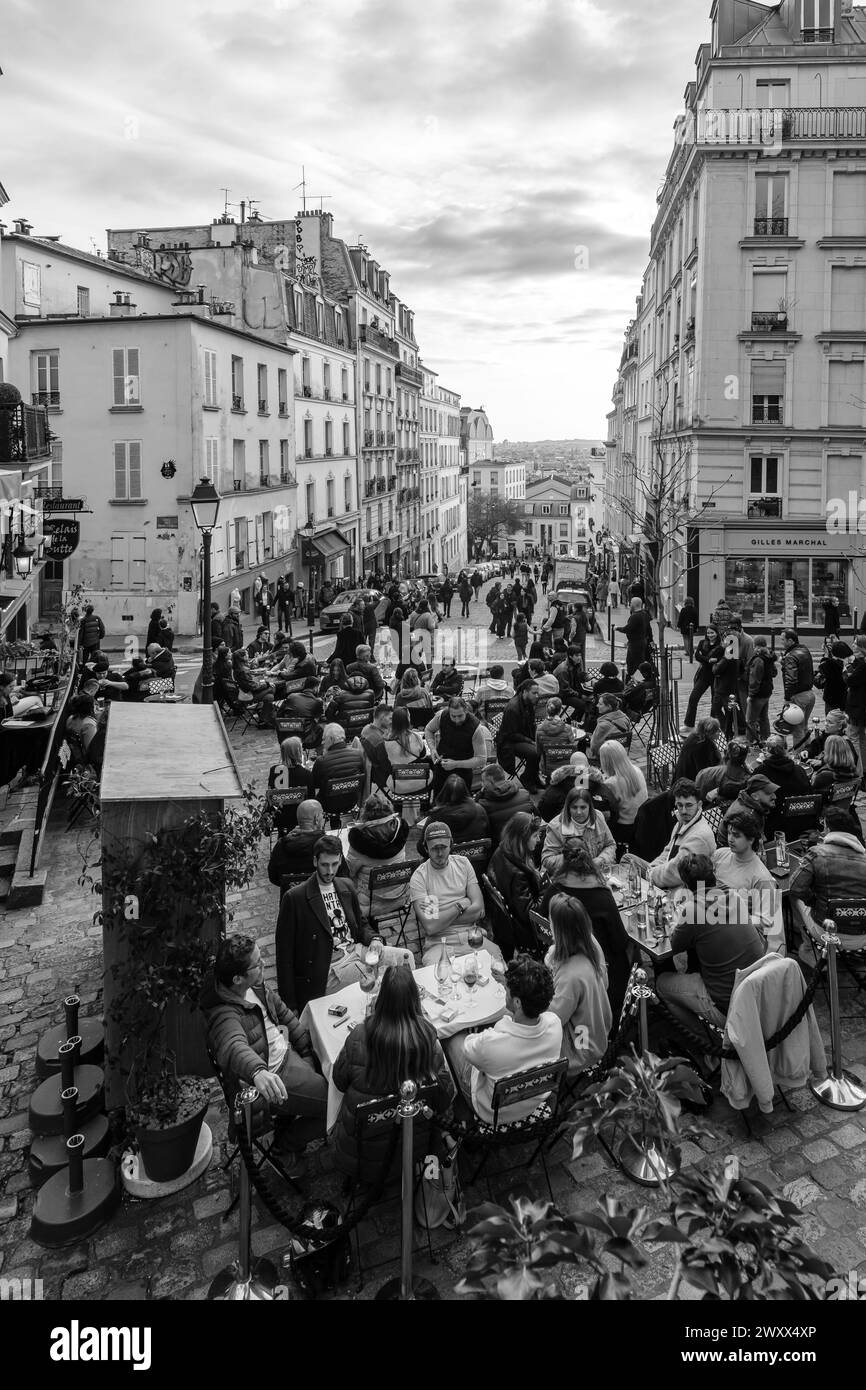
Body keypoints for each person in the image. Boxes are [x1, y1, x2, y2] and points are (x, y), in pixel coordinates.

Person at [202, 935, 327, 1169]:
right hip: (276, 1075)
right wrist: (258, 1071)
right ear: (237, 978)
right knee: (337, 1104)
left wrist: (308, 1052)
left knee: (338, 1067)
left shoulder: (254, 985)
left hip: (289, 1054)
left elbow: (284, 1015)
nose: (263, 966)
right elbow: (233, 1046)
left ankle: (288, 1125)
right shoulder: (223, 1014)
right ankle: (284, 1145)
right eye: (257, 964)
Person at [331, 965, 455, 1186]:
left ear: (382, 998)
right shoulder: (427, 1038)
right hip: (416, 1148)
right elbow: (444, 1096)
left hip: (362, 1154)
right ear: (415, 1000)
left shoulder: (359, 1036)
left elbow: (339, 1082)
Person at [654, 853, 766, 1036]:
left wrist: (676, 921)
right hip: (757, 995)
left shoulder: (693, 910)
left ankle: (706, 1042)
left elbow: (674, 945)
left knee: (661, 983)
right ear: (713, 874)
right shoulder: (733, 895)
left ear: (685, 884)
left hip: (727, 1006)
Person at [445, 956, 562, 1124]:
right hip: (532, 1102)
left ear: (517, 1002)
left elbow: (468, 1048)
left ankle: (461, 1114)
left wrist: (480, 1033)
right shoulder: (555, 1024)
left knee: (453, 1038)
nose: (505, 993)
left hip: (492, 1112)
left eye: (507, 990)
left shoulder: (492, 1043)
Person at [537, 839, 632, 1016]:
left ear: (563, 861)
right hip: (602, 967)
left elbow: (543, 922)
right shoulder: (602, 895)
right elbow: (619, 940)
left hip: (561, 958)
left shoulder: (554, 889)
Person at [275, 835, 372, 1008]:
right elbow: (284, 956)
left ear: (340, 860)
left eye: (335, 864)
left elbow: (361, 923)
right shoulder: (294, 898)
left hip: (357, 952)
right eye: (324, 865)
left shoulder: (346, 885)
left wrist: (376, 939)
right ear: (315, 861)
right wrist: (289, 1004)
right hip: (330, 968)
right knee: (380, 980)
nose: (330, 871)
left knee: (403, 958)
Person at [409, 821, 501, 965]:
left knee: (498, 968)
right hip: (439, 943)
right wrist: (459, 905)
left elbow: (479, 910)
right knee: (439, 978)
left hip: (471, 937)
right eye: (434, 849)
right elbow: (431, 927)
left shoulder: (463, 864)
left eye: (443, 847)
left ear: (451, 844)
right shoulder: (421, 877)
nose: (439, 853)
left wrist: (442, 916)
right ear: (426, 848)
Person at [545, 895, 613, 1075]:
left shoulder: (571, 976)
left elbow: (552, 1020)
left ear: (559, 930)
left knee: (526, 1039)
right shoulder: (591, 943)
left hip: (581, 1047)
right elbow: (605, 984)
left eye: (550, 921)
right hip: (598, 1029)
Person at [790, 806, 866, 962]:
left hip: (827, 931)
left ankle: (809, 949)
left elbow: (796, 887)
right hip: (862, 936)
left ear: (827, 827)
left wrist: (813, 901)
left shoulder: (817, 853)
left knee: (794, 897)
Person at [627, 779, 717, 889]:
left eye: (689, 805)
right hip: (665, 873)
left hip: (680, 888)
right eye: (679, 805)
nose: (683, 811)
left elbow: (677, 872)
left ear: (699, 805)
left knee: (628, 864)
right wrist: (652, 868)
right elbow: (667, 852)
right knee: (628, 859)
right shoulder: (682, 823)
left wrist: (651, 874)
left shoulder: (700, 836)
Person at [712, 810, 781, 949]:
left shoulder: (762, 878)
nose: (730, 838)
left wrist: (730, 918)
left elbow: (765, 921)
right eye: (730, 833)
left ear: (751, 839)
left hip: (741, 940)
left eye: (736, 835)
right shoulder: (720, 855)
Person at [488, 812, 546, 959]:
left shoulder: (502, 851)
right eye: (535, 836)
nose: (539, 840)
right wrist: (546, 889)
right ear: (522, 839)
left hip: (503, 928)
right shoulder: (518, 873)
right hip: (525, 935)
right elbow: (530, 914)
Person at [345, 793, 411, 919]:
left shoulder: (359, 840)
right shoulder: (399, 831)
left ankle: (367, 931)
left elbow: (349, 872)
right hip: (400, 896)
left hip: (369, 903)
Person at [542, 785, 617, 876]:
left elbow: (610, 844)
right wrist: (573, 861)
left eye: (583, 807)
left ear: (590, 807)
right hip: (568, 877)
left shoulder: (599, 818)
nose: (579, 812)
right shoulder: (555, 826)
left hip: (596, 874)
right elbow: (546, 859)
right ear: (568, 808)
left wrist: (601, 859)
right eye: (574, 807)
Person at [426, 696, 488, 796]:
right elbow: (429, 729)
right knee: (439, 803)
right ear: (449, 711)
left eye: (460, 716)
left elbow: (481, 759)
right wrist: (432, 749)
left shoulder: (476, 727)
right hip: (441, 767)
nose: (456, 720)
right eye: (453, 716)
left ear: (466, 710)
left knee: (461, 806)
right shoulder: (442, 715)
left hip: (463, 771)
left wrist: (456, 764)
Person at [756, 736, 813, 839]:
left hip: (774, 827)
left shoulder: (761, 772)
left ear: (768, 751)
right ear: (785, 750)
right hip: (801, 824)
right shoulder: (799, 770)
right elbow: (809, 794)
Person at [599, 740, 647, 851]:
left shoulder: (611, 783)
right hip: (641, 822)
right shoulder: (637, 770)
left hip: (624, 828)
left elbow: (609, 813)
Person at [311, 723, 366, 816]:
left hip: (328, 805)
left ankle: (334, 822)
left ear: (331, 739)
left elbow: (315, 784)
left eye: (324, 739)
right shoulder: (358, 754)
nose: (322, 742)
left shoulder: (321, 761)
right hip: (352, 802)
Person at [476, 764, 536, 848]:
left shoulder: (484, 805)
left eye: (483, 781)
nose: (482, 784)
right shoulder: (524, 794)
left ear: (491, 780)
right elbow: (537, 818)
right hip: (525, 842)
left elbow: (484, 831)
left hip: (502, 847)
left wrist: (480, 795)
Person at [496, 681, 541, 788]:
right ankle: (526, 778)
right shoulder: (513, 708)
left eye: (537, 693)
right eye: (534, 693)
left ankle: (534, 777)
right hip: (509, 742)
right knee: (535, 752)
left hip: (521, 736)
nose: (537, 696)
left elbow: (531, 725)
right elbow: (511, 734)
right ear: (525, 692)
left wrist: (538, 737)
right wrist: (530, 741)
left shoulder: (528, 702)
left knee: (542, 745)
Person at [425, 771, 490, 842]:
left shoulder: (434, 817)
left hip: (448, 852)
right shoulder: (480, 810)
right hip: (476, 852)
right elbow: (488, 835)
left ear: (444, 792)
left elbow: (422, 846)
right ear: (465, 791)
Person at [267, 737, 314, 832]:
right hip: (300, 817)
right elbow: (311, 798)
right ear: (298, 753)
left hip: (279, 817)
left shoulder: (274, 771)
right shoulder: (306, 774)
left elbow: (270, 795)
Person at [720, 772, 778, 847]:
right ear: (755, 796)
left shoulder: (749, 802)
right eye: (768, 793)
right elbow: (749, 848)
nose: (775, 796)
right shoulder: (747, 815)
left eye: (773, 792)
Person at [781, 629, 815, 749]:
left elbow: (791, 680)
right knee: (804, 727)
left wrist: (787, 699)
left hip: (798, 696)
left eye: (783, 640)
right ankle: (810, 752)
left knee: (797, 731)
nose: (781, 642)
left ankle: (799, 758)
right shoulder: (805, 650)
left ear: (790, 641)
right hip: (810, 694)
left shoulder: (791, 656)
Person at [695, 736, 749, 808]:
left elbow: (698, 793)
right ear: (745, 757)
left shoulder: (706, 772)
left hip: (708, 810)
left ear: (726, 752)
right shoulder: (748, 778)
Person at [810, 734, 860, 809]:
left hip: (827, 812)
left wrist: (813, 778)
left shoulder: (826, 775)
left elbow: (812, 795)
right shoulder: (852, 770)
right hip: (844, 809)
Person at [536, 697, 581, 779]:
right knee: (580, 756)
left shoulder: (539, 728)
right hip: (564, 768)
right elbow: (573, 748)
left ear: (547, 709)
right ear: (560, 710)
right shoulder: (567, 728)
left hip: (547, 768)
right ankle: (582, 786)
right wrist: (574, 732)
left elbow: (538, 751)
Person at [844, 635, 866, 790]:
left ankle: (858, 774)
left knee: (854, 738)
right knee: (862, 738)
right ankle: (863, 769)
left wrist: (845, 668)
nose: (852, 645)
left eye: (855, 643)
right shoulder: (861, 663)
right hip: (861, 706)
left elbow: (850, 680)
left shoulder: (863, 665)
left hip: (858, 706)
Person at [745, 635, 776, 744]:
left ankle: (750, 741)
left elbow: (755, 679)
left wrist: (751, 695)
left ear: (756, 646)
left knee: (750, 720)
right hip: (767, 692)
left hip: (758, 694)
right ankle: (766, 739)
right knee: (763, 718)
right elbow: (774, 673)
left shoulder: (758, 659)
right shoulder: (769, 657)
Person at [673, 717, 722, 783]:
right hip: (688, 782)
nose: (720, 731)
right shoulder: (701, 745)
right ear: (709, 733)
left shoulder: (694, 736)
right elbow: (704, 772)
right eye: (716, 730)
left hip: (681, 778)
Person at [360, 705, 393, 791]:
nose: (392, 721)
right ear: (382, 718)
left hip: (373, 772)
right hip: (384, 776)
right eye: (390, 718)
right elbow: (388, 766)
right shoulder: (379, 742)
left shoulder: (366, 729)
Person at [588, 694, 632, 759]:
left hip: (606, 757)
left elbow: (594, 748)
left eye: (600, 704)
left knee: (582, 743)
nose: (597, 705)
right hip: (621, 753)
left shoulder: (603, 725)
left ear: (608, 706)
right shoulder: (625, 718)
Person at [617, 598, 651, 677]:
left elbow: (627, 629)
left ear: (635, 605)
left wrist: (617, 628)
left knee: (633, 663)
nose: (630, 604)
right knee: (636, 661)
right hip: (642, 641)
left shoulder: (635, 616)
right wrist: (651, 640)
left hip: (635, 643)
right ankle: (634, 678)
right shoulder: (645, 614)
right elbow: (649, 629)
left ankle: (635, 679)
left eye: (631, 603)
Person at [816, 639, 850, 717]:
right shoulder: (849, 663)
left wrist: (825, 656)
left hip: (832, 701)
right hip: (846, 701)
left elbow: (818, 682)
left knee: (832, 725)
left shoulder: (829, 664)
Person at [65, 693, 100, 768]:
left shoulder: (70, 718)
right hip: (85, 761)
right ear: (89, 707)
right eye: (94, 705)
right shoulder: (88, 725)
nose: (96, 706)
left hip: (75, 755)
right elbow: (91, 750)